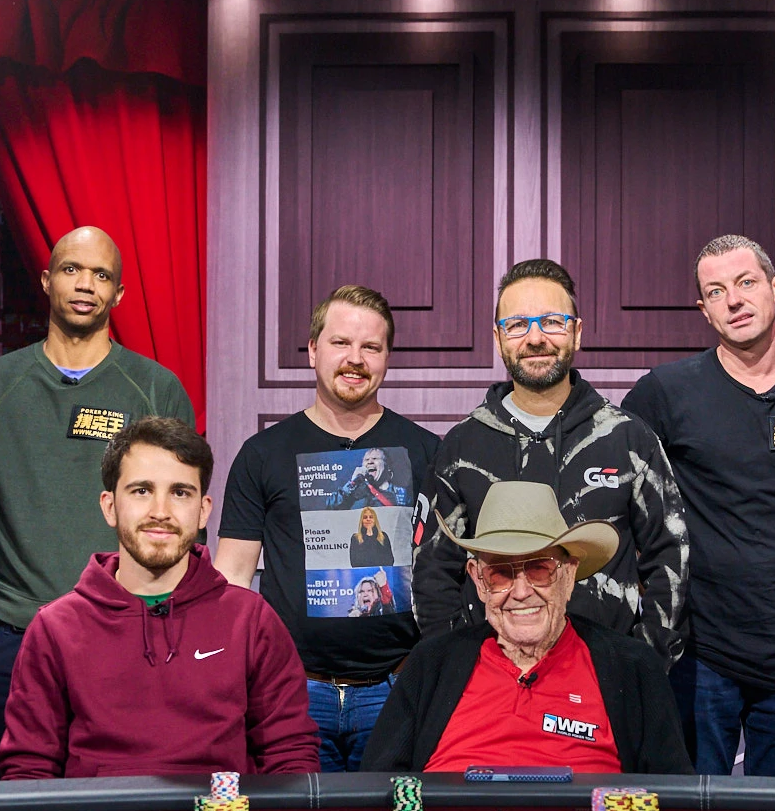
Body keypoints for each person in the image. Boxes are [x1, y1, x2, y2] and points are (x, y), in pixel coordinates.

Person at [0, 226, 195, 779]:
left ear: (118, 294)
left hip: (129, 635)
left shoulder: (155, 388)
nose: (85, 284)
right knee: (18, 810)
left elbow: (176, 522)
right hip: (16, 636)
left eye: (101, 275)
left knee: (127, 805)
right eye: (72, 270)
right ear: (46, 280)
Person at [623, 235, 775, 776]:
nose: (734, 300)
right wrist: (654, 594)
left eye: (746, 282)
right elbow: (618, 501)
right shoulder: (665, 392)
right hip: (696, 655)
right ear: (704, 310)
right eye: (716, 292)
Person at [0, 418, 319, 779]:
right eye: (141, 491)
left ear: (203, 510)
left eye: (180, 493)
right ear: (109, 506)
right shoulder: (55, 627)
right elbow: (29, 769)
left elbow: (289, 755)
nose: (161, 512)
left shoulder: (251, 619)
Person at [413, 258, 688, 662]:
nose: (536, 338)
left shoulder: (628, 439)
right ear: (498, 338)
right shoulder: (461, 447)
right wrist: (461, 669)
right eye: (517, 324)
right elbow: (431, 573)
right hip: (491, 681)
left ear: (577, 332)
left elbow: (671, 557)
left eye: (552, 322)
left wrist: (642, 666)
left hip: (604, 676)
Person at [215, 285, 438, 772]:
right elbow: (231, 580)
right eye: (340, 343)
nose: (355, 359)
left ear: (387, 358)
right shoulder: (262, 454)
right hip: (292, 689)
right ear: (313, 350)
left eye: (370, 347)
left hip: (395, 688)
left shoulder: (426, 452)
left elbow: (448, 577)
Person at [364, 483, 690, 774]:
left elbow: (674, 801)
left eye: (539, 569)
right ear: (478, 579)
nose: (521, 592)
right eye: (500, 574)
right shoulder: (431, 663)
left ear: (569, 574)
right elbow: (377, 791)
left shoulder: (632, 667)